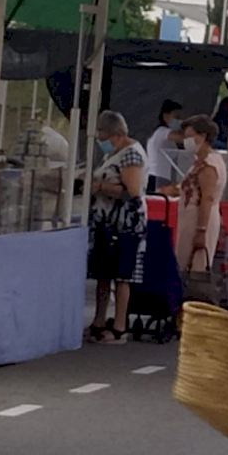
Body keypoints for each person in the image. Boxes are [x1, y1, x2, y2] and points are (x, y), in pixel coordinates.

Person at [87, 111, 147, 344]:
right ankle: (99, 321)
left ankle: (120, 326)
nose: (102, 141)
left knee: (122, 275)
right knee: (103, 274)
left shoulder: (131, 155)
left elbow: (132, 191)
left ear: (117, 134)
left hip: (124, 224)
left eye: (104, 136)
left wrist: (100, 187)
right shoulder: (113, 153)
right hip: (106, 222)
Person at [170, 115, 227, 295]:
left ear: (202, 136)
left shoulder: (209, 165)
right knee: (185, 265)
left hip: (200, 222)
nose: (186, 141)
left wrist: (201, 230)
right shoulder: (198, 163)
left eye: (190, 136)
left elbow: (207, 198)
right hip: (189, 221)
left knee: (196, 268)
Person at [145, 99, 183, 193]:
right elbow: (182, 138)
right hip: (156, 177)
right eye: (176, 117)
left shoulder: (166, 137)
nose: (179, 121)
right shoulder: (161, 132)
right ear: (165, 116)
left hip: (164, 177)